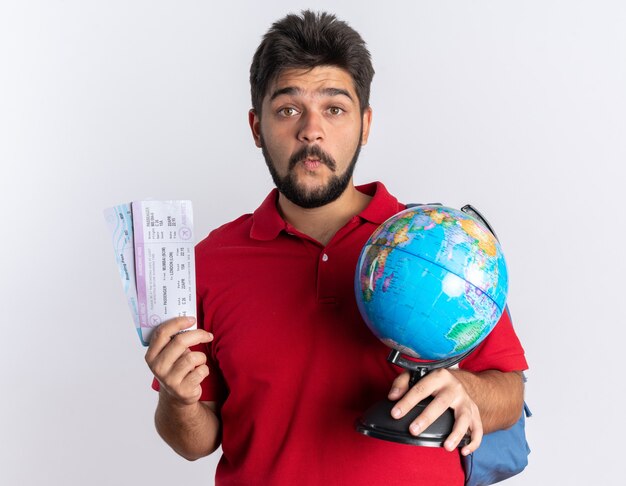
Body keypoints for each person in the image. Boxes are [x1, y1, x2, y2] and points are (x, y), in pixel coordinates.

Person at [145, 10, 528, 485]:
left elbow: (509, 394)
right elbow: (195, 442)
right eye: (288, 109)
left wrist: (467, 388)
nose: (311, 130)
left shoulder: (442, 243)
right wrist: (176, 401)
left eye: (334, 108)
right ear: (256, 127)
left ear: (365, 124)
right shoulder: (208, 262)